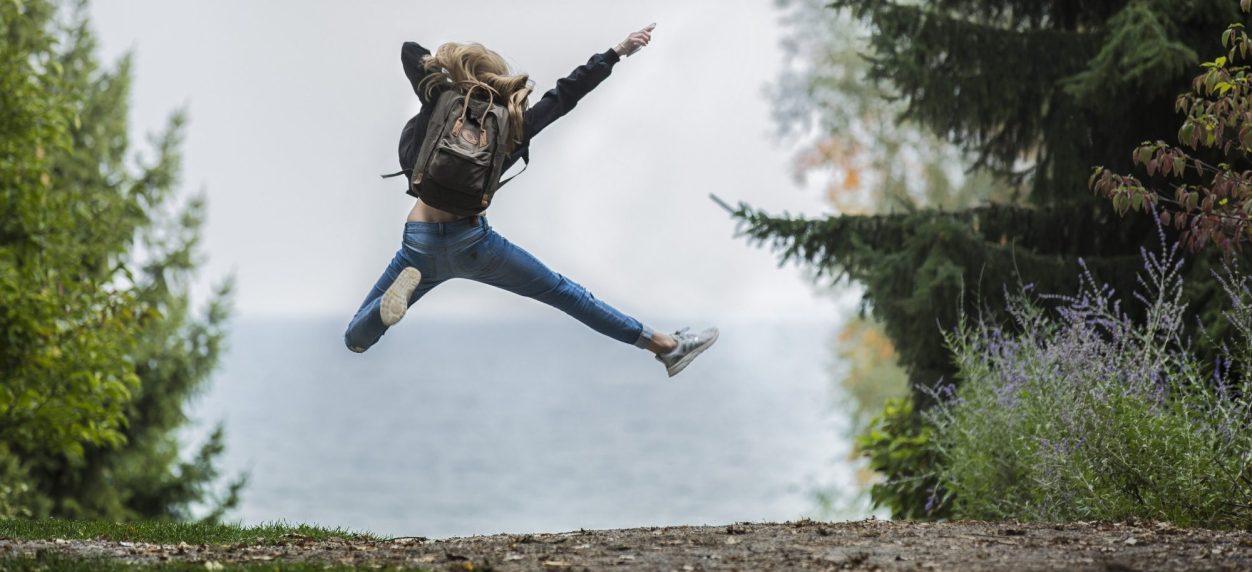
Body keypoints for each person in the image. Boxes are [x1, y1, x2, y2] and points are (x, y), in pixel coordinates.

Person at [344, 25, 718, 377]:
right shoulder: (513, 124)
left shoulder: (439, 99)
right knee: (567, 295)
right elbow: (565, 95)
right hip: (473, 243)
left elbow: (411, 51)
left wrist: (450, 71)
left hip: (419, 243)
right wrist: (617, 52)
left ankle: (383, 310)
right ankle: (665, 346)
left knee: (355, 339)